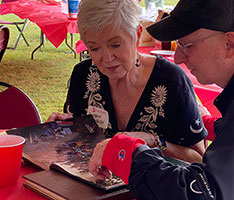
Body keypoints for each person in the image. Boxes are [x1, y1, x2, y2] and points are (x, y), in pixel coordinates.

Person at [88, 0, 234, 199]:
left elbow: (202, 193)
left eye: (187, 45)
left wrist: (126, 153)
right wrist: (220, 126)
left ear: (229, 43)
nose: (178, 58)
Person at [47, 0, 209, 163]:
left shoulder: (171, 82)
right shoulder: (84, 75)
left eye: (115, 45)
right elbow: (79, 142)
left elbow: (198, 159)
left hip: (156, 187)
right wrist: (60, 130)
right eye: (94, 48)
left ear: (137, 34)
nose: (107, 58)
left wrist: (151, 141)